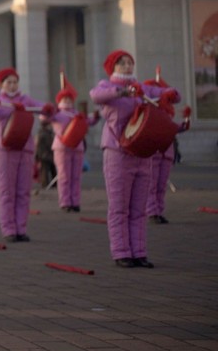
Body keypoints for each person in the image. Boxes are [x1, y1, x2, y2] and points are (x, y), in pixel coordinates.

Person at [90, 50, 178, 268]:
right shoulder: (107, 86)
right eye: (122, 63)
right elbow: (95, 96)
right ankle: (121, 252)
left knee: (139, 208)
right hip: (117, 153)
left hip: (142, 153)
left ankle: (139, 252)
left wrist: (170, 95)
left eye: (130, 63)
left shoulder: (142, 88)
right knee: (120, 206)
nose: (128, 67)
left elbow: (168, 93)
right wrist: (123, 92)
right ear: (113, 67)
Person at [0, 68, 48, 243]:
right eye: (9, 82)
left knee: (24, 191)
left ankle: (21, 229)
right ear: (1, 84)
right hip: (5, 149)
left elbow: (42, 107)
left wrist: (49, 109)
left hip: (26, 148)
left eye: (15, 82)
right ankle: (8, 229)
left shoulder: (25, 99)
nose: (13, 85)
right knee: (7, 191)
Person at [44, 85, 99, 212]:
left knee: (76, 176)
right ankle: (65, 202)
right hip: (62, 147)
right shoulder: (57, 113)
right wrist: (47, 110)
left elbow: (89, 121)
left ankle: (75, 202)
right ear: (59, 101)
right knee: (64, 176)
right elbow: (45, 117)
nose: (67, 102)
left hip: (77, 147)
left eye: (69, 99)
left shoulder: (78, 114)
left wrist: (95, 117)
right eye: (64, 99)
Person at [144, 73, 190, 224]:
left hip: (167, 152)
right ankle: (152, 211)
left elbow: (173, 129)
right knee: (152, 183)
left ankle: (159, 211)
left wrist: (185, 124)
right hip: (153, 152)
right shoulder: (148, 111)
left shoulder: (167, 114)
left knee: (162, 184)